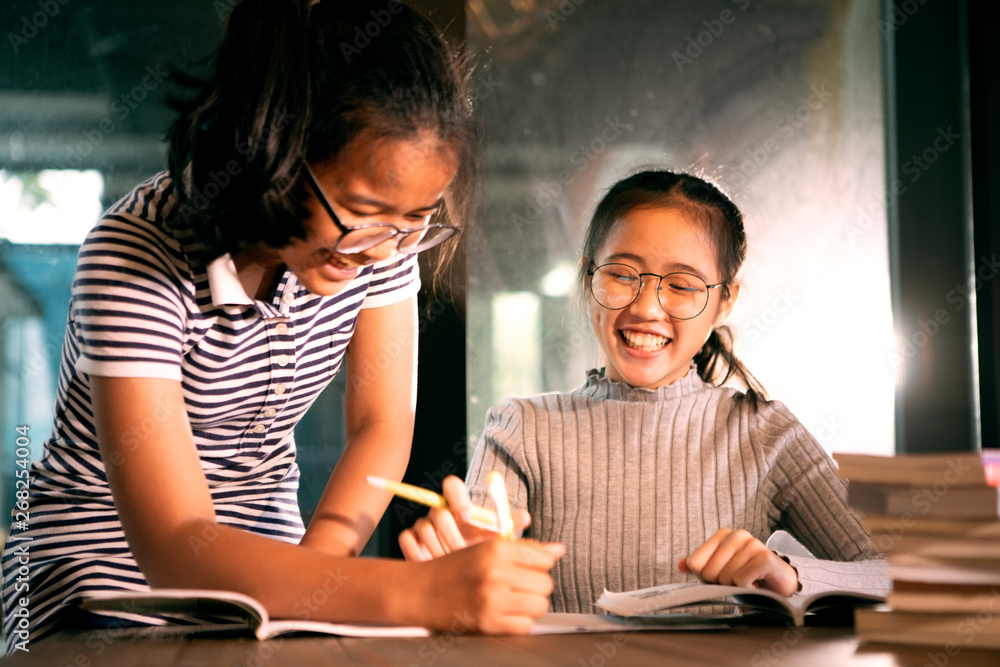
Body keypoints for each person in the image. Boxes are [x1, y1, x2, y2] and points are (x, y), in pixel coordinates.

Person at [1, 1, 563, 650]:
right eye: (365, 212)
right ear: (277, 152)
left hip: (269, 572)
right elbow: (176, 548)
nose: (387, 249)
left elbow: (381, 424)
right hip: (101, 580)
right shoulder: (136, 255)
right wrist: (426, 592)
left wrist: (319, 582)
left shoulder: (377, 241)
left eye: (416, 220)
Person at [399, 170, 890, 613]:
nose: (647, 308)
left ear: (725, 301)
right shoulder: (522, 428)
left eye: (681, 285)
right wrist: (454, 565)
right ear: (589, 275)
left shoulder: (765, 434)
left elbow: (895, 575)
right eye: (621, 275)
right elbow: (471, 563)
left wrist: (791, 573)